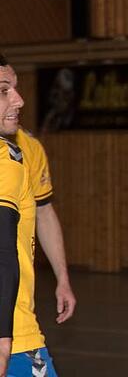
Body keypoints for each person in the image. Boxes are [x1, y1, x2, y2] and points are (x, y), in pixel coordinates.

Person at [0, 54, 77, 376]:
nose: (19, 99)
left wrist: (62, 278)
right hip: (14, 332)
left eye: (15, 88)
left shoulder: (28, 149)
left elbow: (44, 212)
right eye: (4, 90)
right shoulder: (7, 160)